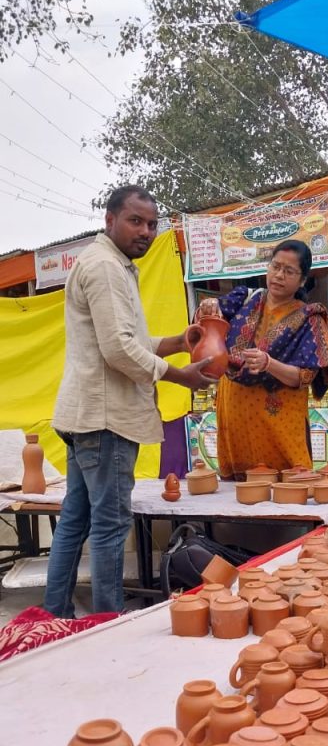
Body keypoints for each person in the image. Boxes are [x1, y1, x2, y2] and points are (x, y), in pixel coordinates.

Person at [45, 185, 213, 618]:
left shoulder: (115, 265)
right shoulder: (104, 267)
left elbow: (129, 341)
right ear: (110, 220)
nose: (145, 231)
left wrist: (178, 341)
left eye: (152, 224)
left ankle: (54, 617)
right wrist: (181, 376)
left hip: (88, 415)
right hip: (106, 420)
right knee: (109, 526)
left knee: (76, 522)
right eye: (135, 221)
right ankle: (108, 622)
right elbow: (119, 351)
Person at [195, 240, 328, 479]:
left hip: (278, 426)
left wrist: (268, 364)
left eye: (289, 271)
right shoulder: (244, 298)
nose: (279, 275)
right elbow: (209, 317)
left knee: (288, 491)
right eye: (275, 266)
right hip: (235, 420)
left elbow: (303, 377)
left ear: (303, 280)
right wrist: (207, 307)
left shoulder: (309, 319)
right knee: (240, 493)